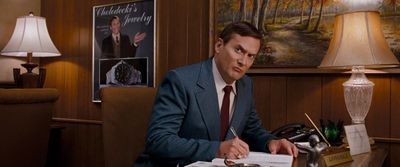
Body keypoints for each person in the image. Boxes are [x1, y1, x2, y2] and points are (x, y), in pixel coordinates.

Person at [135, 21, 298, 166]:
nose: (243, 61)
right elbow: (158, 141)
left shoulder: (246, 85)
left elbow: (252, 129)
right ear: (219, 46)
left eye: (251, 56)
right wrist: (217, 149)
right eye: (238, 50)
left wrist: (270, 141)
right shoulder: (180, 81)